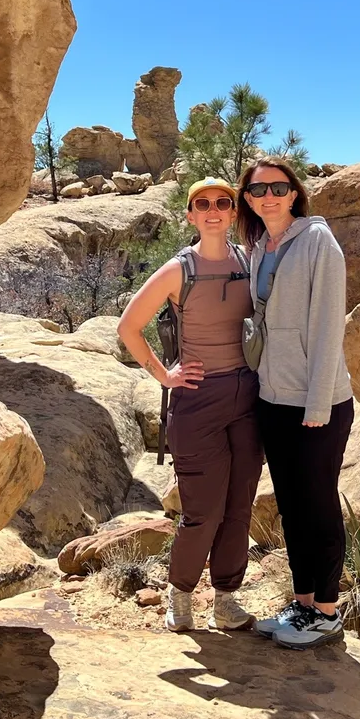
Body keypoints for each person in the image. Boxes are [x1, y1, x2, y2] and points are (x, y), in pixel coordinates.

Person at [117, 178, 262, 633]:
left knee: (239, 507)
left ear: (234, 211)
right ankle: (179, 597)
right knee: (203, 512)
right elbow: (129, 327)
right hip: (198, 401)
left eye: (223, 202)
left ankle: (226, 600)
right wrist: (165, 374)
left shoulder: (249, 261)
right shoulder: (179, 270)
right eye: (203, 204)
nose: (214, 210)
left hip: (248, 396)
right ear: (191, 215)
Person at [236, 157, 354, 650]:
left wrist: (318, 403)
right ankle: (302, 602)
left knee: (319, 506)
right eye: (258, 189)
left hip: (316, 401)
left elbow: (329, 325)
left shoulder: (318, 242)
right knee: (291, 507)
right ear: (247, 198)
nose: (269, 196)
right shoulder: (260, 246)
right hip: (273, 396)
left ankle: (326, 611)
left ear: (294, 193)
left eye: (278, 188)